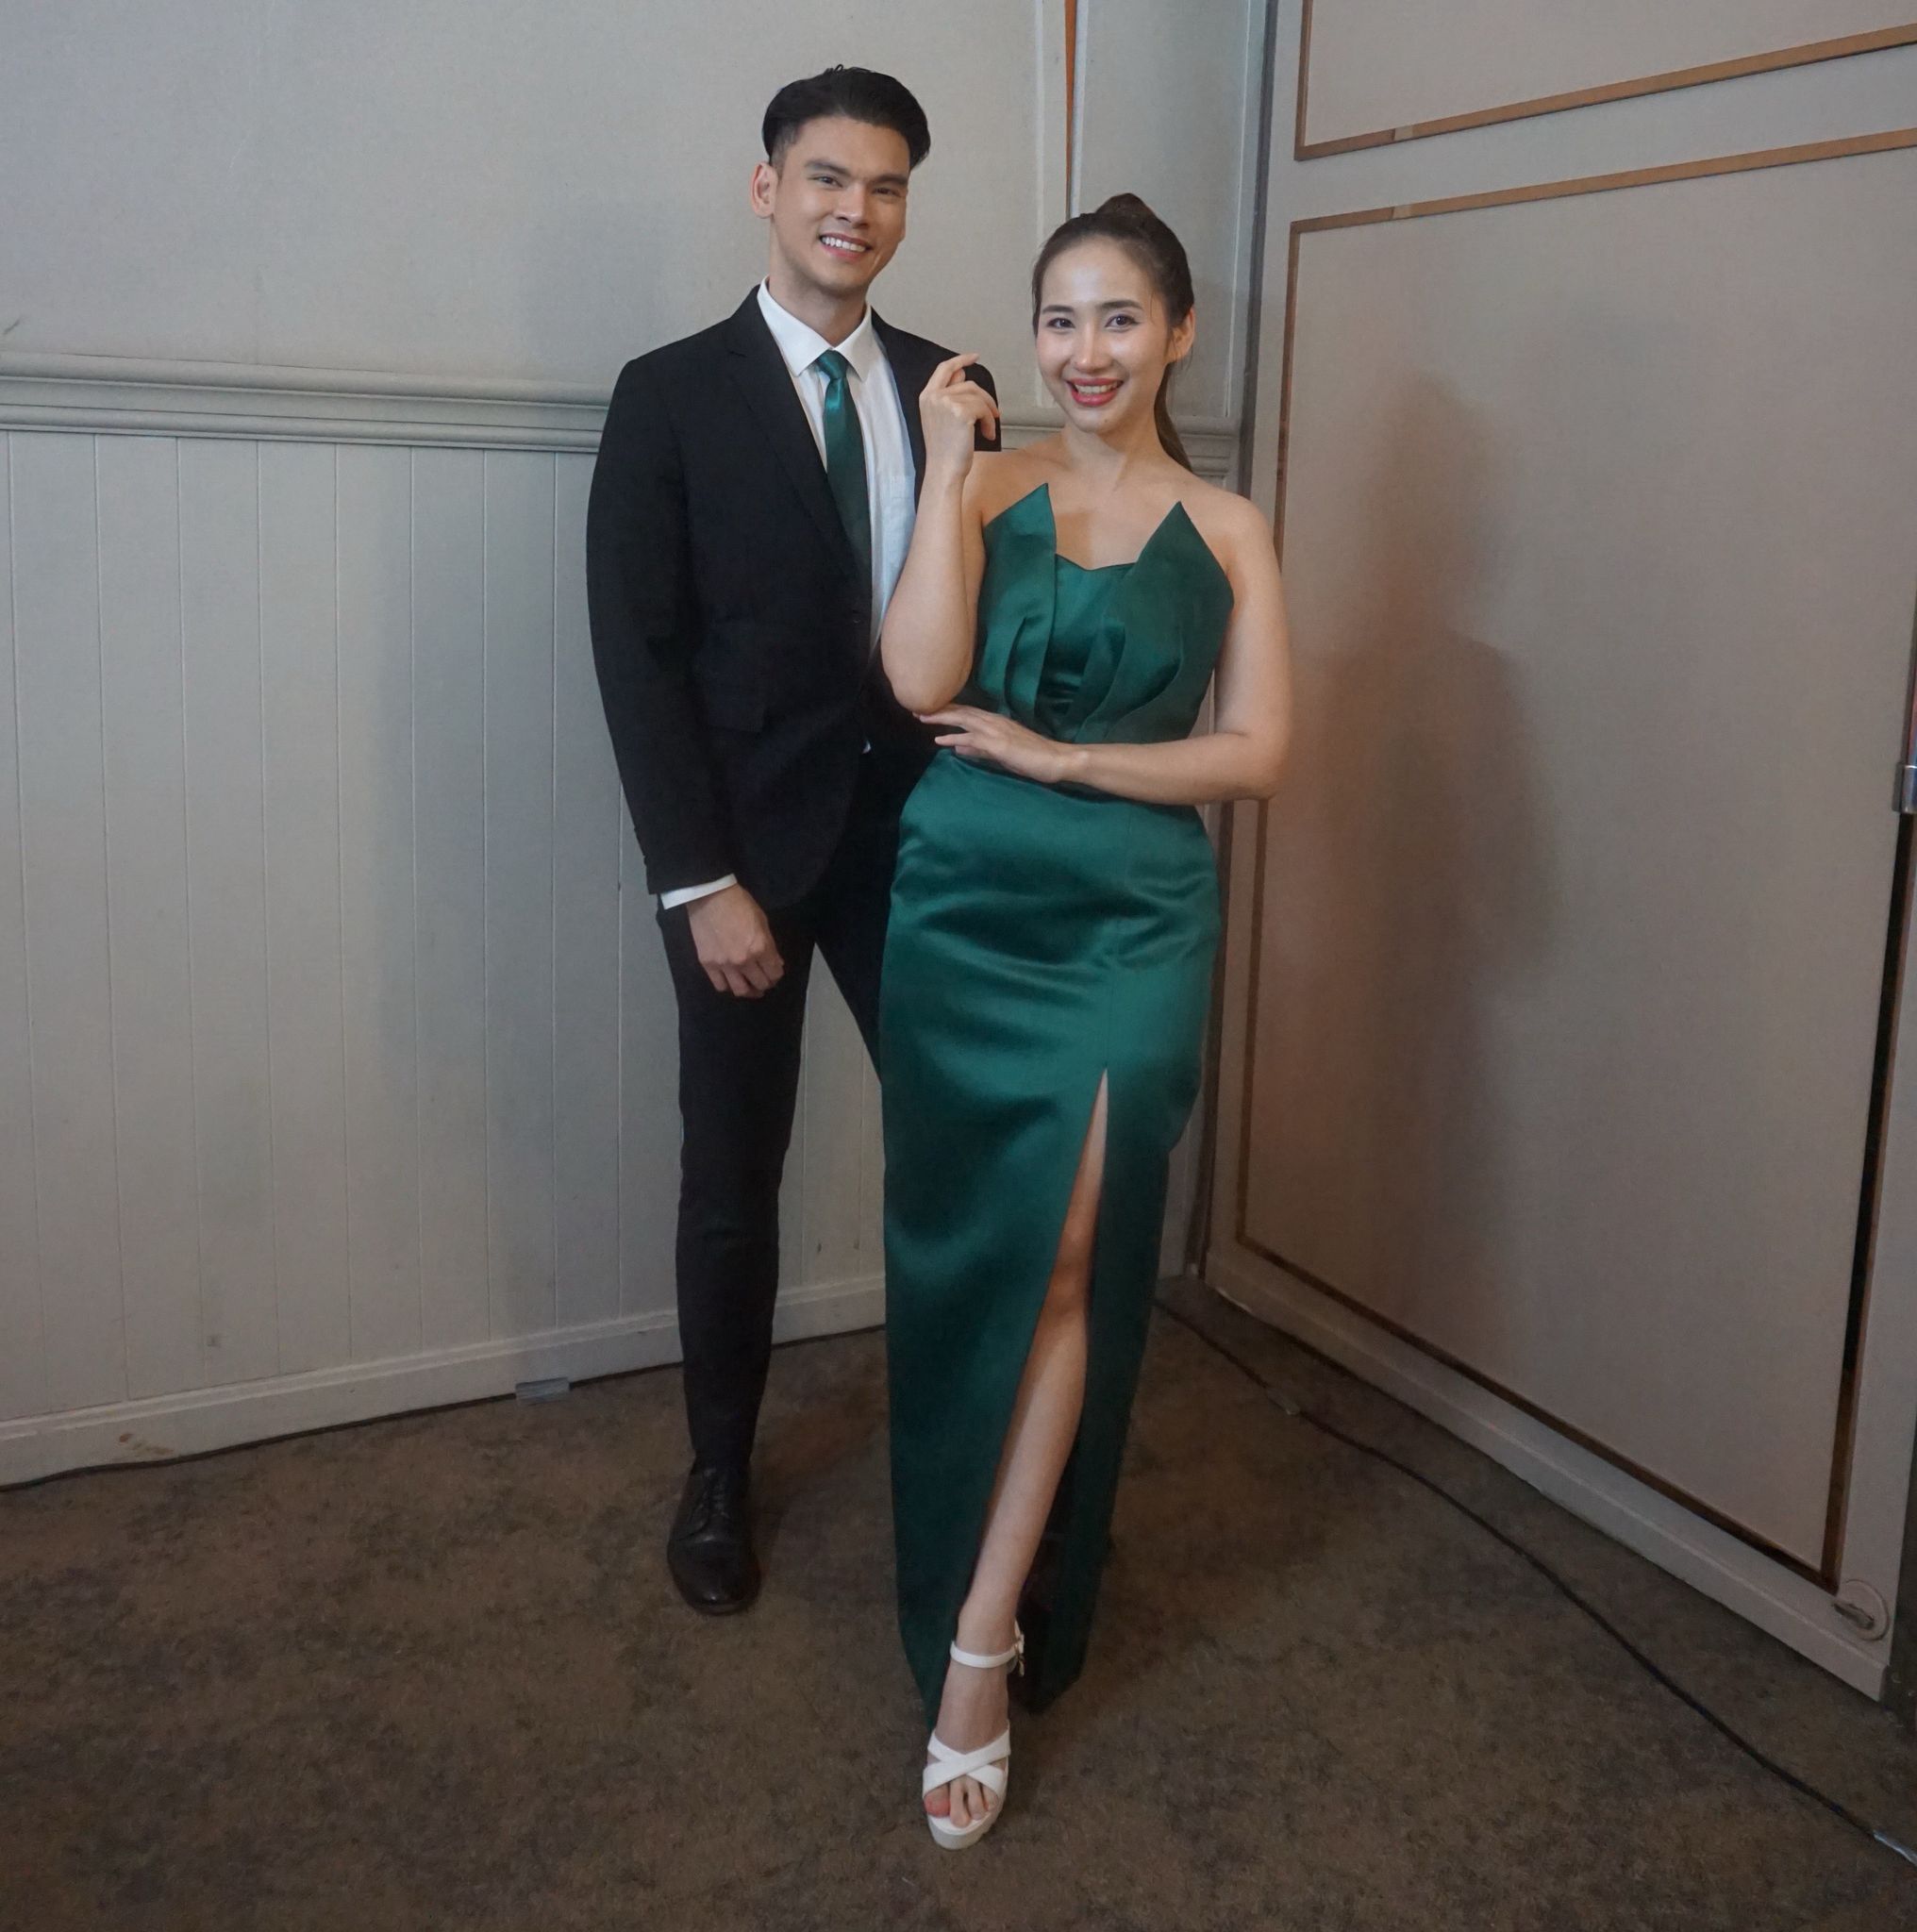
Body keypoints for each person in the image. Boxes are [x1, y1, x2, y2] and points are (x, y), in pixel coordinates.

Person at [877, 193, 1292, 1847]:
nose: (1085, 351)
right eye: (1060, 318)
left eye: (1120, 318)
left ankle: (980, 1642)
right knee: (975, 1256)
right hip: (964, 907)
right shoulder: (983, 485)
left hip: (1132, 918)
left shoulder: (1233, 525)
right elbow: (919, 681)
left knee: (1074, 1253)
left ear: (1178, 333)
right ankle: (968, 1564)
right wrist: (937, 467)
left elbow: (1259, 752)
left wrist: (1069, 758)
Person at [586, 67, 998, 1617]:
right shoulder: (668, 394)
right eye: (829, 177)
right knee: (730, 1181)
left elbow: (973, 625)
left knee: (964, 1154)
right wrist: (701, 882)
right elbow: (637, 657)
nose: (856, 210)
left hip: (918, 849)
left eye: (886, 186)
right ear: (768, 188)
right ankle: (717, 1476)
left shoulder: (952, 391)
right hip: (741, 867)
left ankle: (979, 1468)